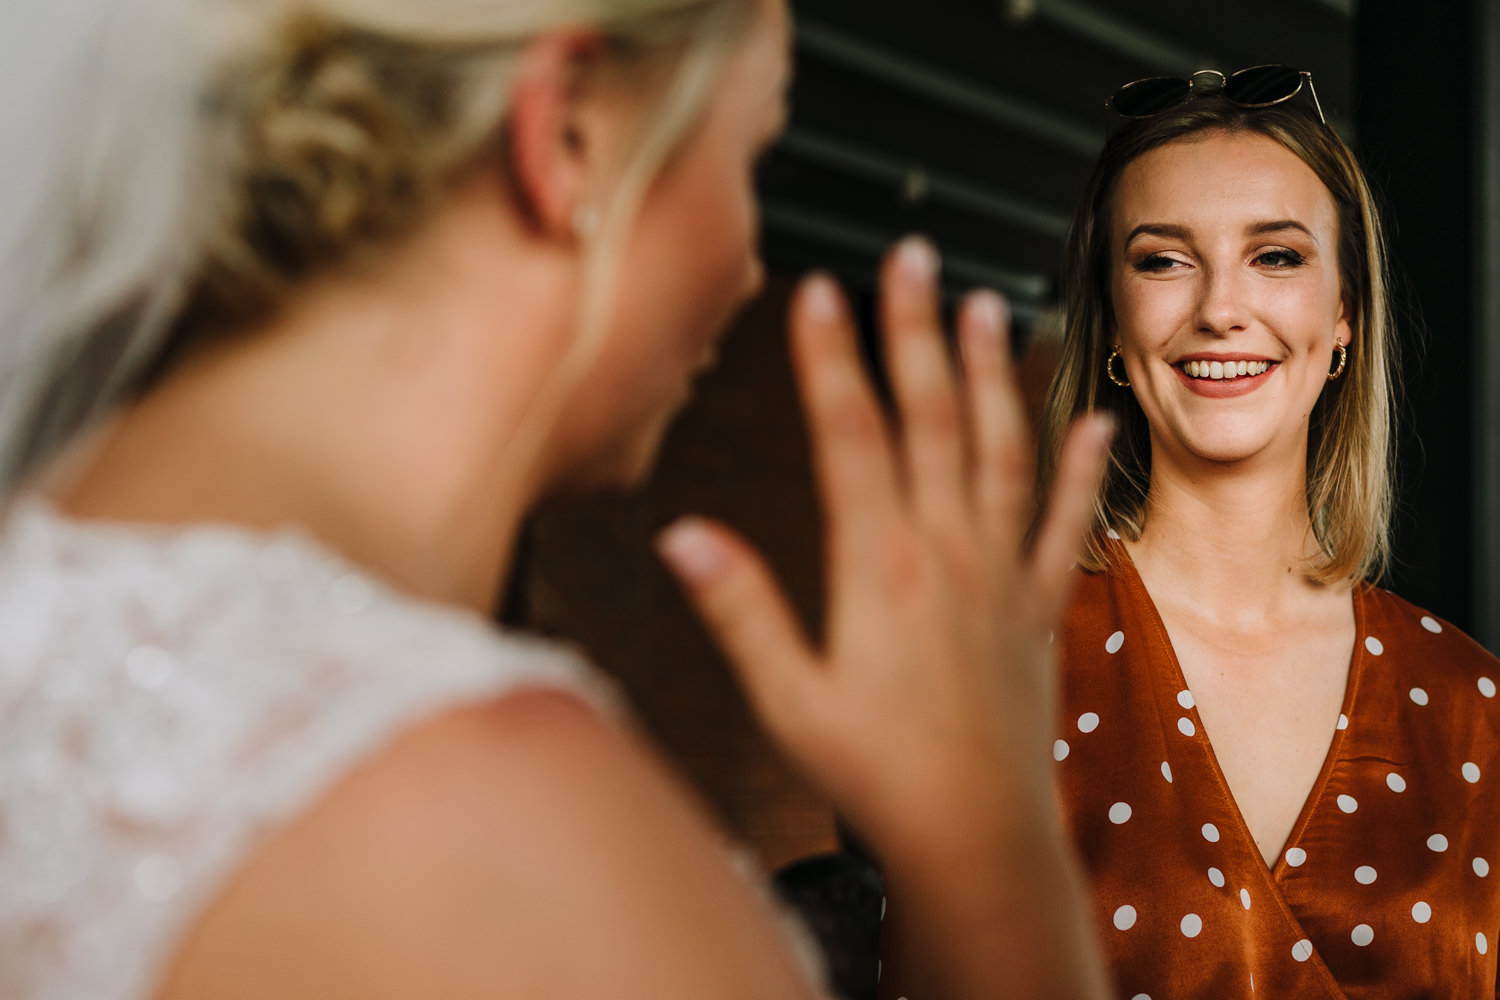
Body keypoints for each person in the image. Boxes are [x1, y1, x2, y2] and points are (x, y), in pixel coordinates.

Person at [0, 1, 1116, 998]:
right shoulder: (475, 819)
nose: (742, 265)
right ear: (571, 131)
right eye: (751, 151)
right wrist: (989, 850)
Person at [1025, 68, 1500, 997]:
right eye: (1163, 259)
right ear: (1115, 328)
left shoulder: (1473, 702)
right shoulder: (1004, 660)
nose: (1219, 308)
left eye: (1276, 257)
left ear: (1345, 318)